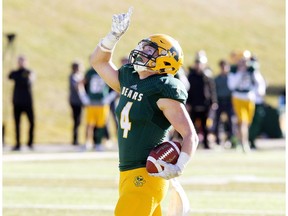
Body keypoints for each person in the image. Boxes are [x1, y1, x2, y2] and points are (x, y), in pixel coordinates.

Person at [89, 8, 199, 216]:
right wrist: (113, 37)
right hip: (127, 173)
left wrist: (180, 166)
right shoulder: (130, 79)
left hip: (146, 174)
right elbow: (98, 62)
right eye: (145, 48)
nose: (143, 52)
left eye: (151, 51)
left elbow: (190, 135)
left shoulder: (163, 88)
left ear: (166, 61)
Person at [227, 51, 264, 152]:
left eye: (245, 61)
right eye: (242, 61)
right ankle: (245, 144)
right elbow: (232, 86)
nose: (243, 63)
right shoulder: (234, 71)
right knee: (243, 121)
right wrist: (240, 73)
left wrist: (259, 92)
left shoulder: (252, 70)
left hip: (249, 97)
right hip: (238, 97)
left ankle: (238, 140)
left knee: (247, 123)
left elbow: (259, 83)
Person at [186, 53, 218, 149]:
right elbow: (188, 90)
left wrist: (214, 101)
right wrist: (187, 103)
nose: (199, 65)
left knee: (206, 125)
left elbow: (212, 89)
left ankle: (206, 144)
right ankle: (192, 144)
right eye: (197, 62)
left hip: (205, 104)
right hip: (194, 103)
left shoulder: (207, 76)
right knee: (192, 125)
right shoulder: (191, 76)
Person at [83, 66, 117, 151]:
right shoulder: (89, 72)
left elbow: (116, 84)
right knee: (89, 124)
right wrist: (83, 96)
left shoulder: (104, 70)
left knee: (101, 124)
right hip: (91, 102)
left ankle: (98, 143)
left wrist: (109, 97)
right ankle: (87, 143)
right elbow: (81, 84)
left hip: (103, 102)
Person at [8, 55, 35, 151]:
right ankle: (17, 144)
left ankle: (30, 143)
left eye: (23, 61)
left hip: (27, 101)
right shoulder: (15, 72)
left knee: (32, 122)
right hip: (17, 102)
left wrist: (22, 77)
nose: (21, 63)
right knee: (17, 124)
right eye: (20, 61)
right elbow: (10, 76)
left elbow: (28, 81)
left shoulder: (28, 72)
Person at [214, 59, 234, 146]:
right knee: (218, 121)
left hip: (229, 101)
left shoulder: (231, 78)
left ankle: (230, 139)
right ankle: (218, 140)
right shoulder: (217, 79)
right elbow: (214, 91)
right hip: (220, 101)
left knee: (230, 121)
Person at [68, 61, 84, 145]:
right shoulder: (72, 76)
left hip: (81, 101)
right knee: (76, 121)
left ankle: (77, 139)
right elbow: (76, 87)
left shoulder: (80, 76)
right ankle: (75, 140)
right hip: (75, 101)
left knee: (79, 121)